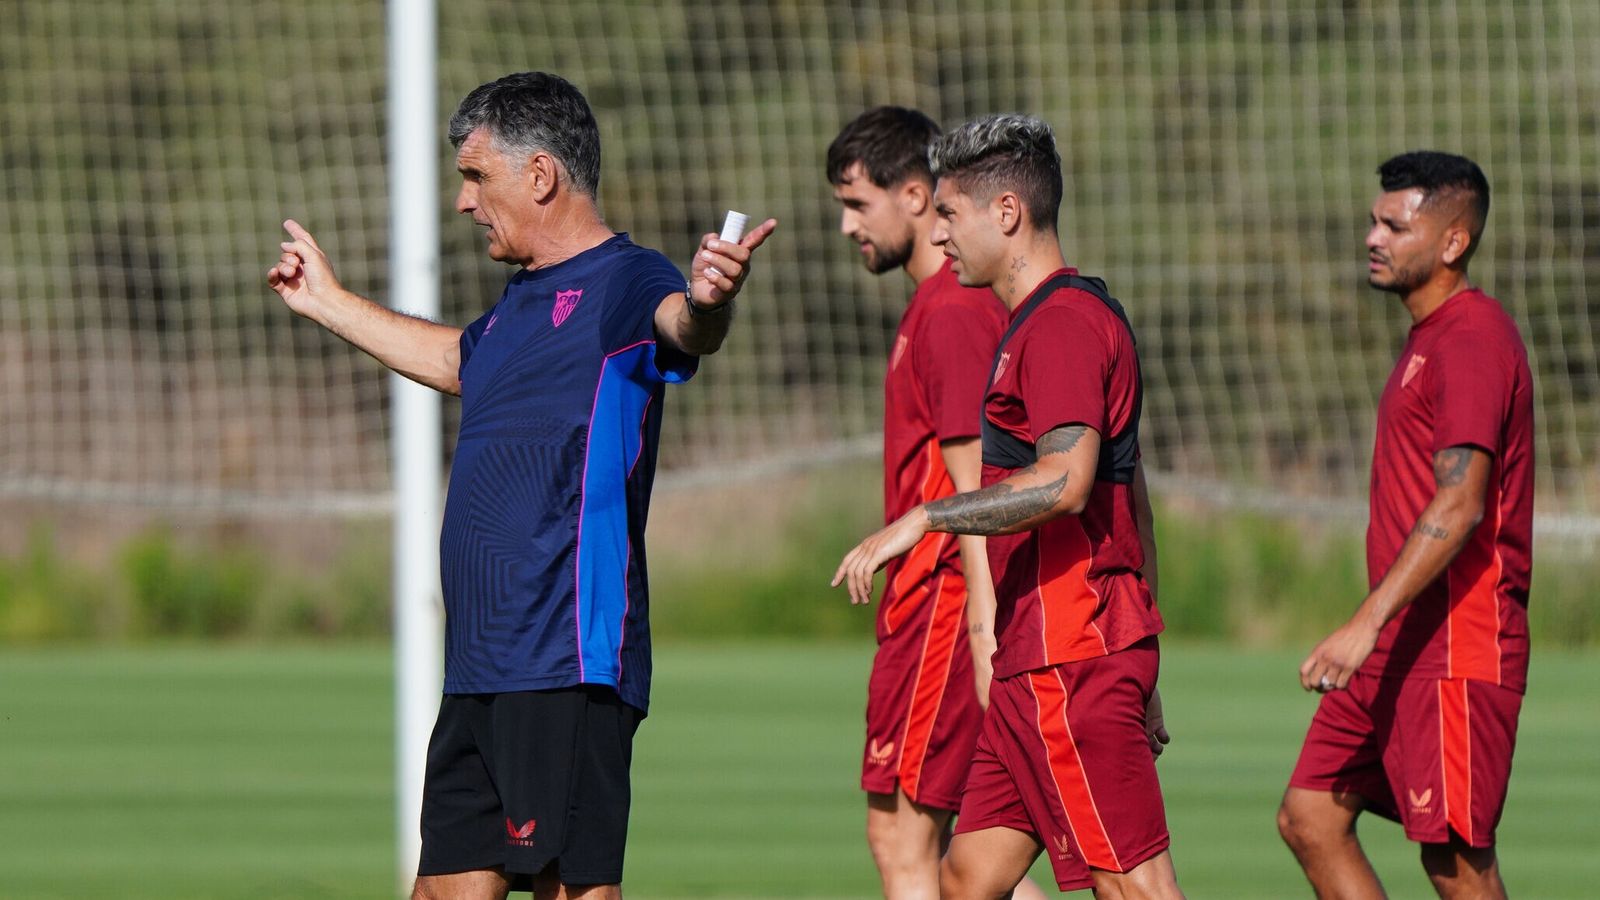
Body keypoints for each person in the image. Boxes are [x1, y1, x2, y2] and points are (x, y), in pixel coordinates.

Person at [266, 71, 776, 900]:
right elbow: (450, 361)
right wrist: (327, 303)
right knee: (440, 891)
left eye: (477, 177)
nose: (466, 202)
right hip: (481, 664)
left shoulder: (626, 281)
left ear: (539, 175)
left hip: (564, 661)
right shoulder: (517, 305)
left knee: (572, 892)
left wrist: (711, 301)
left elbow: (686, 325)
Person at [833, 113, 1181, 900]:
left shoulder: (1060, 323)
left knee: (1135, 887)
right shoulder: (1031, 324)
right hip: (1041, 657)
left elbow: (1069, 480)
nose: (941, 234)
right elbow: (1140, 502)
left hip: (1072, 651)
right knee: (964, 879)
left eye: (950, 215)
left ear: (1006, 214)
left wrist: (929, 517)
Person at [1279, 151, 1532, 900]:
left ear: (1453, 242)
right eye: (1372, 220)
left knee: (1455, 862)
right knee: (1311, 816)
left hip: (1455, 643)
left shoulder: (1473, 338)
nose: (1373, 236)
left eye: (1395, 224)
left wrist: (1362, 624)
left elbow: (1461, 505)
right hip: (1399, 646)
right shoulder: (1426, 338)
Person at [828, 106, 1045, 900]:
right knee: (962, 860)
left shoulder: (952, 311)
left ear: (916, 195)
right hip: (930, 610)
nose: (848, 225)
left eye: (859, 203)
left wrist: (986, 631)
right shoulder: (938, 306)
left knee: (904, 835)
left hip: (943, 608)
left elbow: (976, 492)